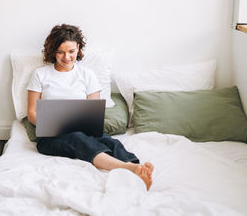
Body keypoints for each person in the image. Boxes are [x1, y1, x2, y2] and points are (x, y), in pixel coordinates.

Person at [27, 24, 154, 190]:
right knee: (77, 139)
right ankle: (130, 169)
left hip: (83, 130)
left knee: (111, 142)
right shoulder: (40, 74)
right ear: (53, 51)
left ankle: (138, 167)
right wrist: (56, 125)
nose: (67, 57)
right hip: (51, 137)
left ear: (78, 48)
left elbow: (93, 112)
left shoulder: (86, 75)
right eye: (60, 52)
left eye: (71, 51)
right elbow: (31, 112)